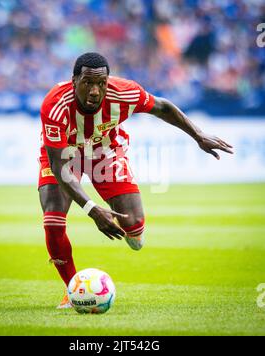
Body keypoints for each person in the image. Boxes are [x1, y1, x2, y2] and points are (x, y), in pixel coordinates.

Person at [39, 52, 233, 309]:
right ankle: (72, 289)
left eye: (101, 83)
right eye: (88, 82)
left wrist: (198, 135)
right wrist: (92, 209)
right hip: (64, 156)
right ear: (74, 80)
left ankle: (133, 229)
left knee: (135, 228)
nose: (95, 91)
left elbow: (162, 107)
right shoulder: (55, 103)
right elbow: (59, 166)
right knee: (53, 219)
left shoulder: (125, 92)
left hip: (105, 153)